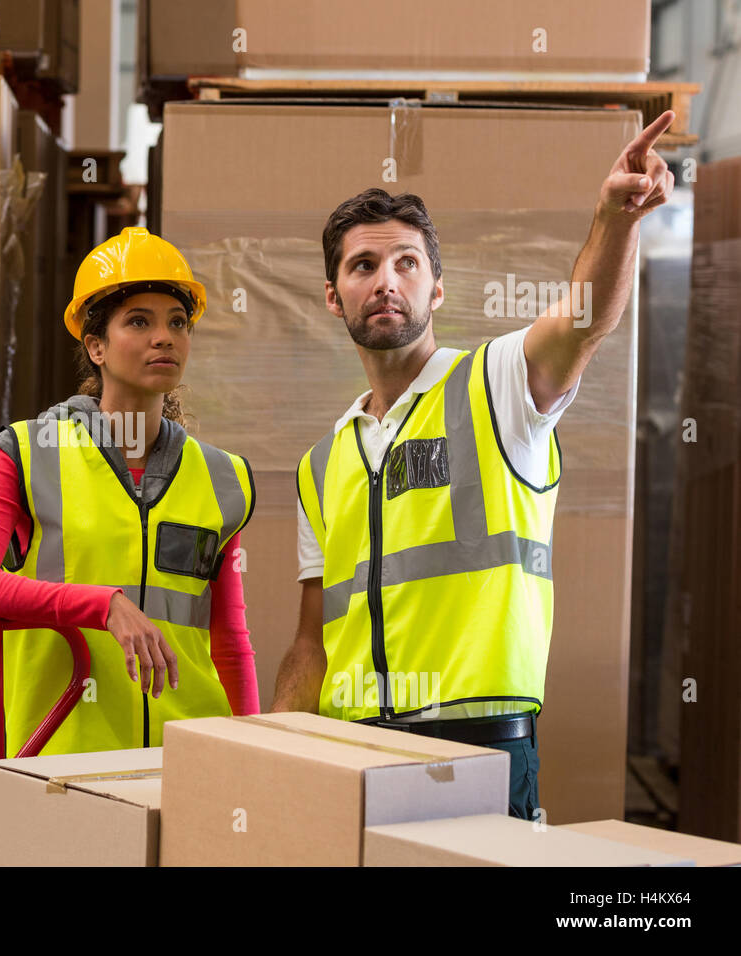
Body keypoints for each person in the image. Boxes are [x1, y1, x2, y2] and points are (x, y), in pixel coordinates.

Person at [272, 112, 677, 821]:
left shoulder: (497, 389)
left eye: (407, 263)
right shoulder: (320, 464)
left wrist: (617, 220)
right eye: (363, 266)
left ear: (437, 291)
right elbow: (312, 640)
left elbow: (583, 323)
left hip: (476, 752)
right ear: (335, 297)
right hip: (347, 753)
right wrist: (269, 752)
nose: (386, 281)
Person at [0, 227, 257, 757]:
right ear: (96, 346)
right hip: (61, 752)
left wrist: (251, 747)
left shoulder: (223, 477)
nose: (165, 337)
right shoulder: (27, 452)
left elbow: (229, 640)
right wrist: (101, 605)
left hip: (188, 754)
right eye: (139, 321)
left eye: (178, 323)